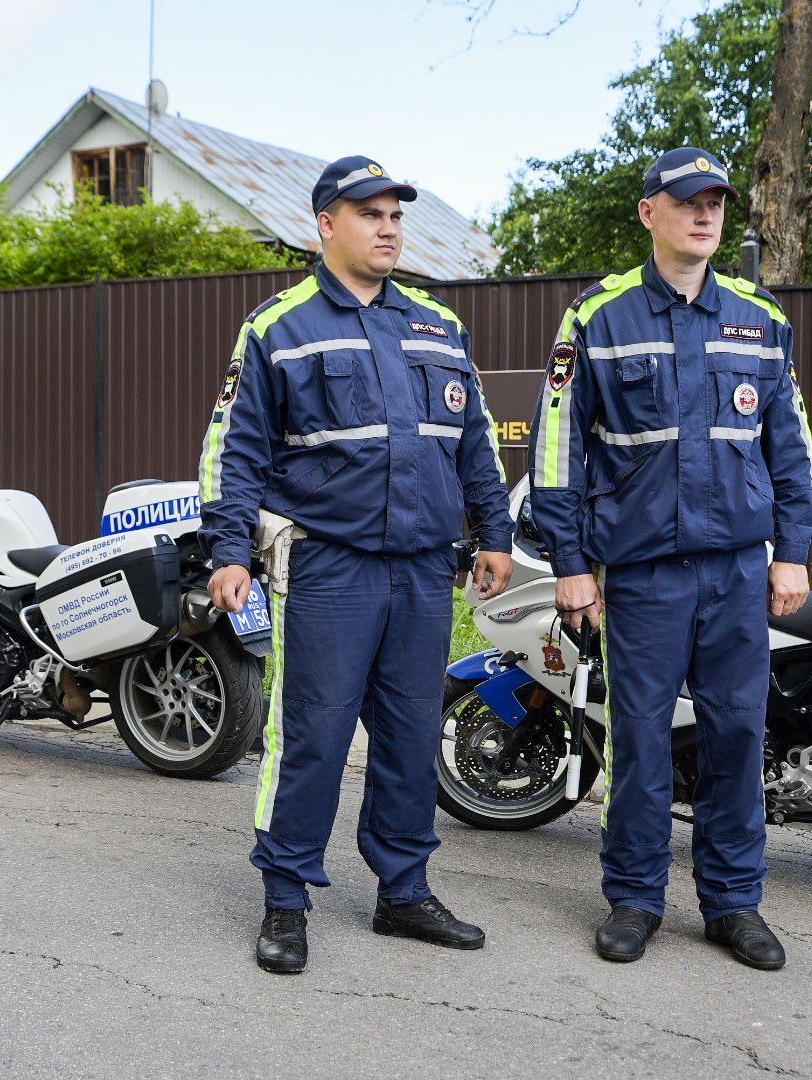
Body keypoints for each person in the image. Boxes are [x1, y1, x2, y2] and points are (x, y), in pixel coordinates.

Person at [197, 155, 515, 975]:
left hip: (421, 571)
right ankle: (286, 899)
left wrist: (494, 534)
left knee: (411, 737)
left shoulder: (438, 328)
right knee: (312, 735)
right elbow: (235, 454)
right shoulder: (279, 326)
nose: (387, 227)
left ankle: (403, 892)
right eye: (369, 213)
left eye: (395, 215)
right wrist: (229, 550)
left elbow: (474, 441)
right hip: (326, 568)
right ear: (325, 224)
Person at [527, 147, 812, 969]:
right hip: (645, 574)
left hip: (735, 569)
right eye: (687, 200)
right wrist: (572, 562)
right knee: (642, 741)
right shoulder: (599, 315)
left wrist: (792, 550)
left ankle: (735, 904)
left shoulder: (760, 320)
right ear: (648, 212)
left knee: (735, 736)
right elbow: (557, 452)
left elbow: (789, 446)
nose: (705, 215)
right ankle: (633, 898)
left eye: (717, 203)